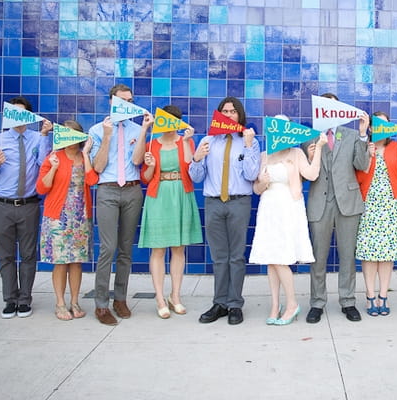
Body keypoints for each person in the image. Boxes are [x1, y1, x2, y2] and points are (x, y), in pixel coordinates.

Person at [189, 96, 261, 325]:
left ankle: (235, 304)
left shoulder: (250, 141)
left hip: (239, 202)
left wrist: (249, 146)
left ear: (240, 115)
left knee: (236, 256)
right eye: (225, 111)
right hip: (213, 203)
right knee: (219, 256)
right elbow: (196, 177)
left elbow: (251, 176)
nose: (229, 115)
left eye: (233, 111)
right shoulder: (209, 141)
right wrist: (197, 159)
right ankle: (219, 302)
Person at [250, 115, 327, 325]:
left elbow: (312, 174)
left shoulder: (295, 153)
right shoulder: (264, 155)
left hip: (288, 208)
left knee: (281, 258)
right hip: (268, 208)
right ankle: (275, 304)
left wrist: (318, 148)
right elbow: (256, 189)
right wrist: (263, 182)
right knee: (271, 257)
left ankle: (292, 303)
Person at [0, 96, 52, 318]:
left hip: (29, 204)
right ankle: (9, 299)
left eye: (23, 113)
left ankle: (24, 300)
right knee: (6, 255)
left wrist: (43, 136)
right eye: (14, 112)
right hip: (3, 205)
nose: (18, 117)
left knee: (29, 255)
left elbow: (43, 164)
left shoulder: (37, 138)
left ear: (29, 116)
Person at [302, 93, 370, 324]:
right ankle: (317, 303)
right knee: (318, 258)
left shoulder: (351, 135)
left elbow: (362, 165)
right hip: (319, 203)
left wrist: (363, 134)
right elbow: (303, 174)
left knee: (347, 256)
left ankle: (348, 301)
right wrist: (311, 156)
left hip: (348, 203)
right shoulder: (308, 138)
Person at [89, 84, 152, 325]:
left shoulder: (137, 128)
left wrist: (145, 130)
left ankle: (121, 299)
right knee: (108, 247)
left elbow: (137, 160)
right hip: (107, 190)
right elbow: (98, 166)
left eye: (130, 100)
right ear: (112, 102)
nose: (127, 103)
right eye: (122, 100)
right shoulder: (97, 130)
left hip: (132, 191)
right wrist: (106, 137)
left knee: (126, 249)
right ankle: (101, 304)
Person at [133, 105, 203, 319]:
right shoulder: (152, 144)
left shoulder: (186, 142)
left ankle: (175, 295)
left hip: (182, 193)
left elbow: (192, 168)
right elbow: (144, 175)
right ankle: (160, 298)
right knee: (158, 249)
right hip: (159, 196)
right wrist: (151, 165)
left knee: (179, 248)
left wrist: (188, 141)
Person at [37, 121, 98, 321]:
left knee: (76, 262)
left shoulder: (83, 157)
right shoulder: (53, 157)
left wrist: (87, 154)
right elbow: (41, 188)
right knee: (60, 262)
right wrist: (53, 168)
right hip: (57, 216)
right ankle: (60, 303)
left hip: (80, 216)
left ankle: (74, 301)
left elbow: (92, 181)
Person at [355, 111, 397, 316]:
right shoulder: (363, 147)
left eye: (385, 124)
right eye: (376, 124)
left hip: (392, 206)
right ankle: (370, 295)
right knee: (369, 253)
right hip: (369, 206)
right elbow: (359, 176)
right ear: (371, 128)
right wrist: (368, 156)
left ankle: (383, 296)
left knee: (387, 255)